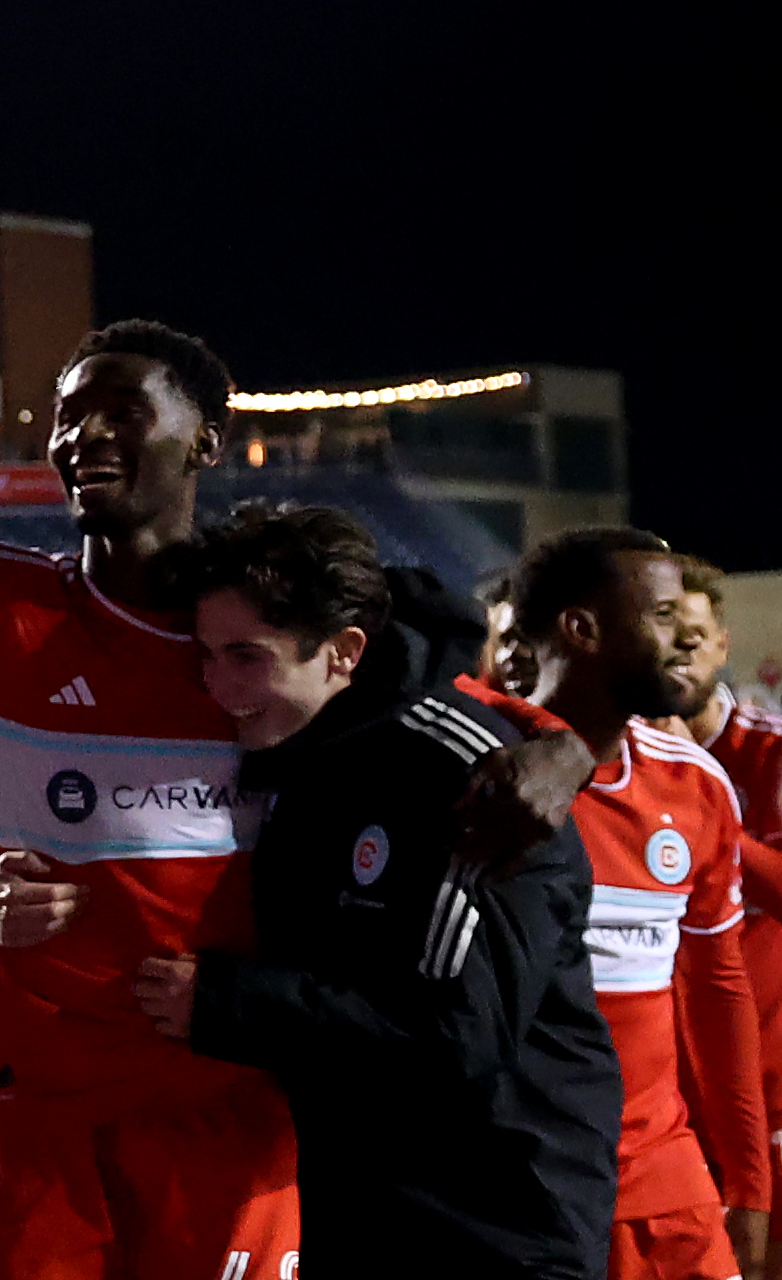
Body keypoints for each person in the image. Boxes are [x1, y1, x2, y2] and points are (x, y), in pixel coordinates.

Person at [0, 314, 592, 1280]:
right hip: (36, 1114)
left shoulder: (270, 634)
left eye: (122, 410)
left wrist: (560, 750)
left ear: (204, 438)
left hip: (226, 1107)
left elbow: (469, 717)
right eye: (67, 414)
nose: (83, 433)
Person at [127, 503, 619, 1277]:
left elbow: (456, 1038)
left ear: (343, 651)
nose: (217, 688)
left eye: (246, 658)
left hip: (492, 1230)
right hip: (375, 1215)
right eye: (207, 656)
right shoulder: (307, 752)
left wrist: (226, 1004)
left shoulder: (466, 782)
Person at [514, 528, 769, 1280]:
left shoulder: (692, 784)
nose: (680, 644)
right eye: (662, 618)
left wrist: (747, 1180)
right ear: (581, 629)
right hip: (520, 1178)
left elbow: (719, 991)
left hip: (664, 1182)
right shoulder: (473, 766)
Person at [666, 559, 782, 1210]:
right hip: (663, 1103)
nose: (675, 654)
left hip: (764, 1088)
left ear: (720, 643)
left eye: (690, 636)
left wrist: (702, 815)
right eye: (661, 636)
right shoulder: (604, 762)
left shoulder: (769, 753)